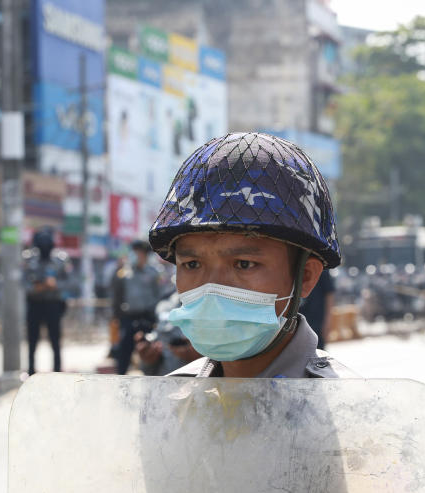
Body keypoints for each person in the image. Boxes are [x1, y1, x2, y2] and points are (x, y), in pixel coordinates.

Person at [147, 131, 351, 380]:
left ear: (306, 277)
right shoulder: (173, 398)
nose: (213, 288)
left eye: (243, 264)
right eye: (192, 264)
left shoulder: (346, 406)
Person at [22, 227, 71, 375]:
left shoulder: (60, 260)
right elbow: (24, 283)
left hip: (53, 304)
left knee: (55, 340)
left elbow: (69, 282)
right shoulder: (29, 259)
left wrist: (55, 285)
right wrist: (38, 287)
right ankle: (31, 370)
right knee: (32, 340)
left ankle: (57, 370)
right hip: (34, 304)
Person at [112, 240, 164, 374]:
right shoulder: (123, 273)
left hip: (148, 318)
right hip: (128, 318)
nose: (136, 255)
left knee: (149, 352)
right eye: (134, 252)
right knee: (123, 352)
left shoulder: (153, 273)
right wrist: (116, 317)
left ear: (145, 255)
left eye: (139, 253)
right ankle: (121, 379)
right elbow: (117, 295)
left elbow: (159, 296)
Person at [299, 268, 335, 349]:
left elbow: (329, 294)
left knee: (317, 354)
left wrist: (328, 322)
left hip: (317, 323)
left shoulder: (322, 268)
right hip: (297, 323)